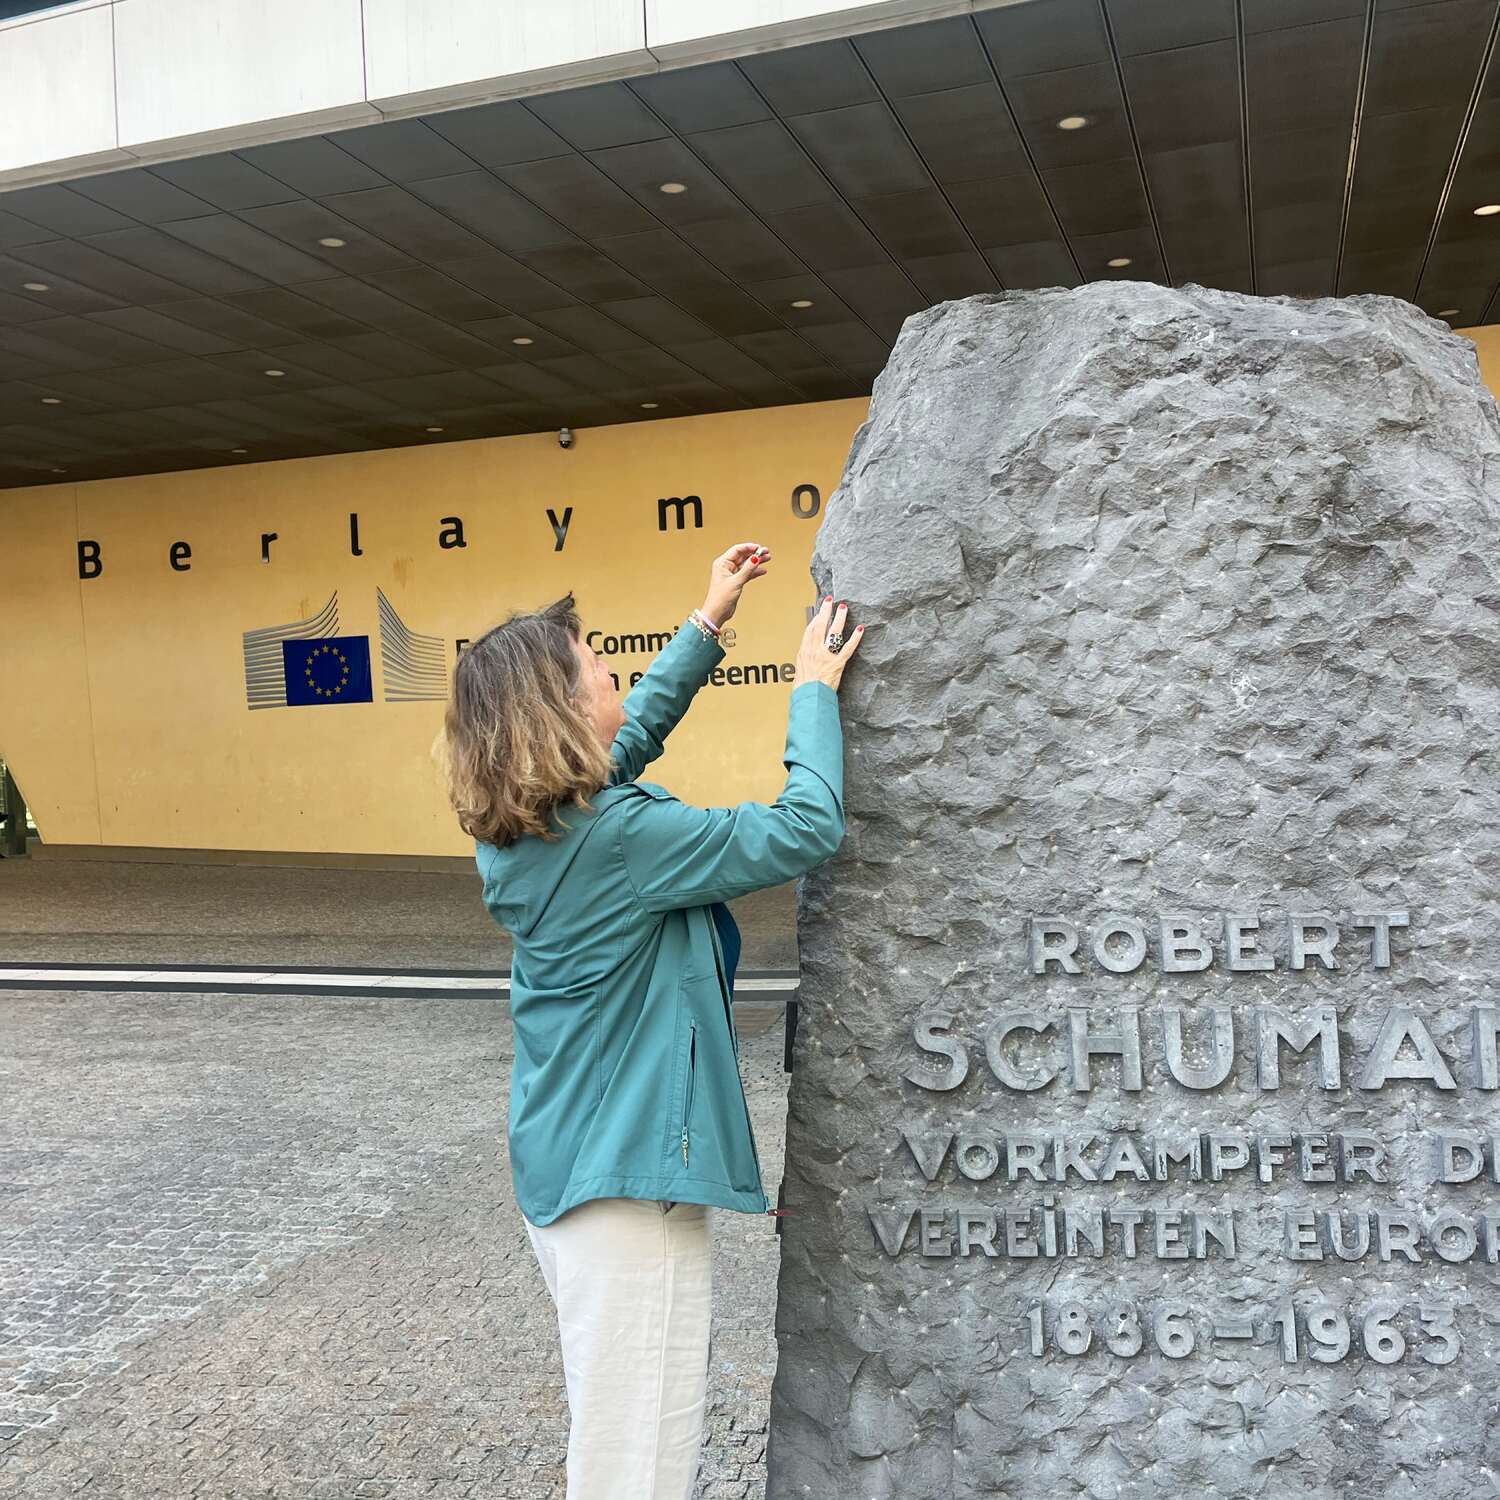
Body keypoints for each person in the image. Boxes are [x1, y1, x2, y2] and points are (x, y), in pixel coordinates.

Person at [437, 542, 864, 1499]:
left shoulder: (528, 828)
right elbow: (804, 829)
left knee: (620, 1434)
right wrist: (811, 691)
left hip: (575, 1169)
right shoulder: (620, 839)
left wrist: (707, 624)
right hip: (626, 1191)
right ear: (555, 709)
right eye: (597, 665)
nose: (613, 670)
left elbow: (627, 742)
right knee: (637, 1465)